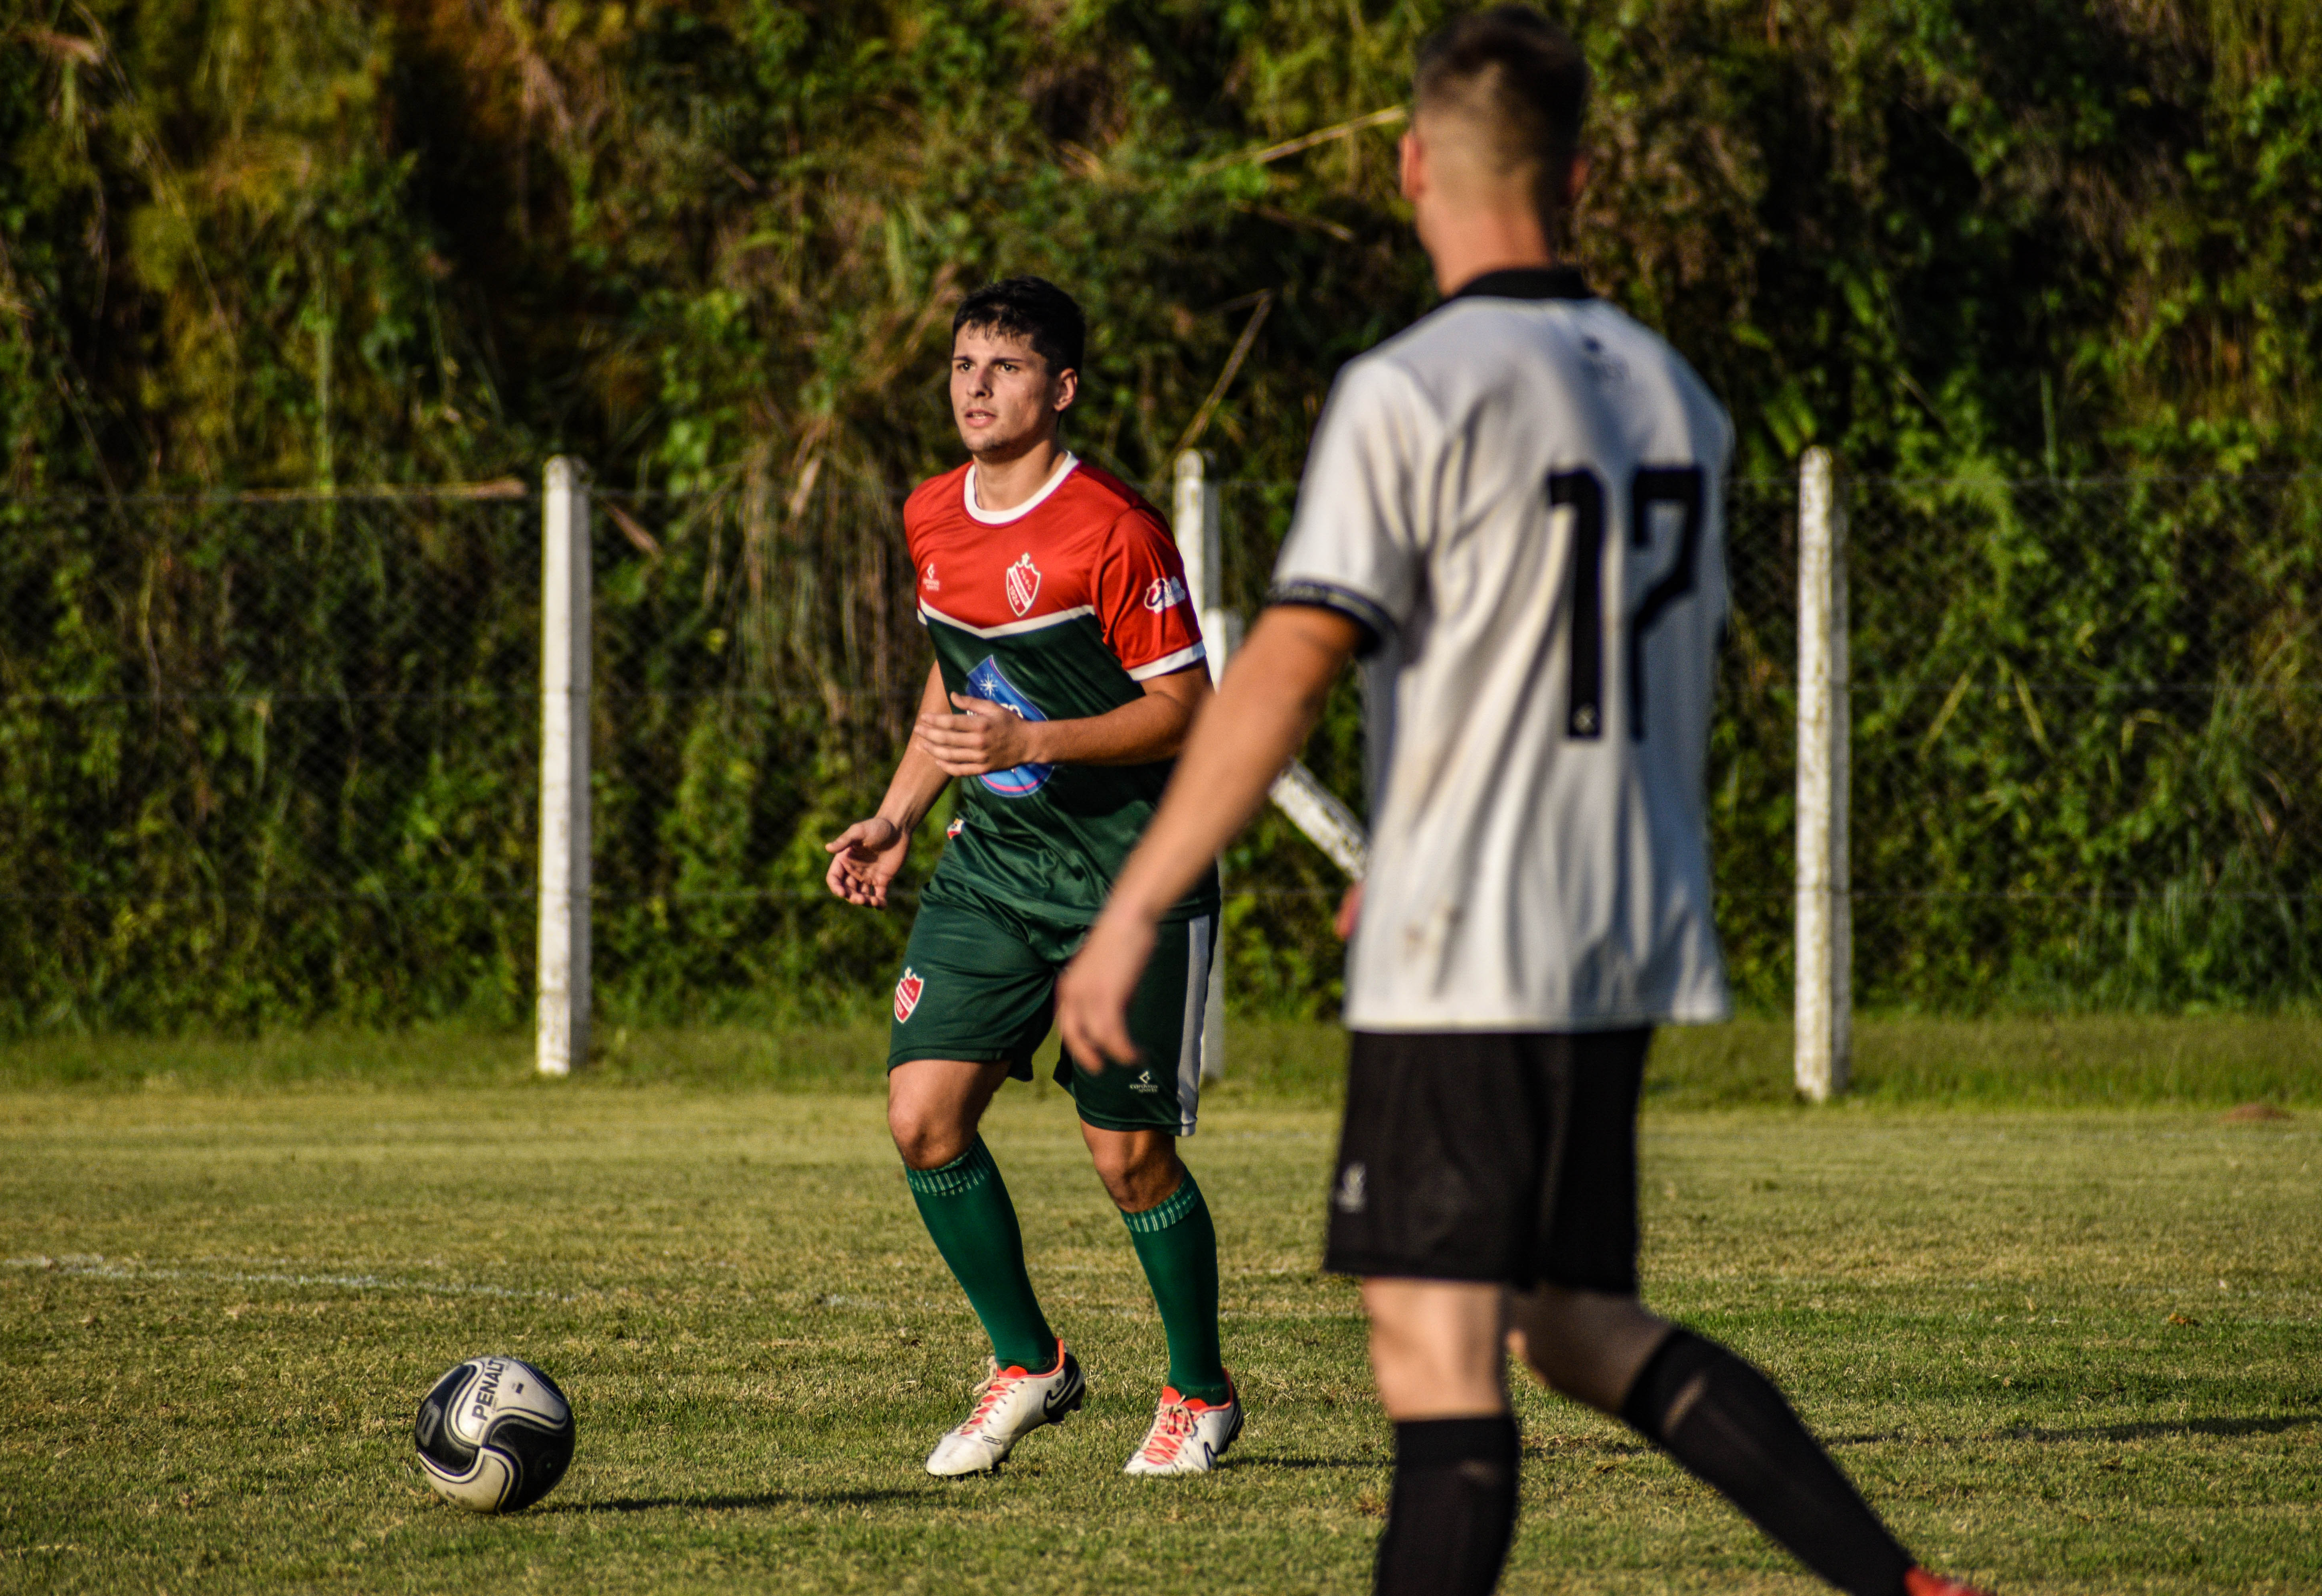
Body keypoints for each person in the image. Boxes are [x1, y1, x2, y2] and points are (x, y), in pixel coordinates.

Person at [1055, 10, 1993, 1594]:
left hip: (1469, 932)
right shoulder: (1672, 391)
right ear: (1583, 172)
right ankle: (1896, 1581)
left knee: (1435, 1355)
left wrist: (1134, 905)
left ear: (1416, 163)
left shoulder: (1414, 385)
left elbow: (1283, 668)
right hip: (1617, 914)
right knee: (1568, 1319)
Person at [824, 275, 1242, 1479]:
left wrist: (1036, 743)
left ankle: (1199, 1393)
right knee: (923, 1117)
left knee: (1128, 1159)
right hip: (992, 875)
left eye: (1002, 369)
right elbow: (955, 684)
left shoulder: (1113, 529)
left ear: (1058, 390)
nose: (974, 388)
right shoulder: (929, 517)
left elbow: (1187, 712)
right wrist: (899, 813)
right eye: (963, 366)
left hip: (1130, 888)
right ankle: (1030, 1363)